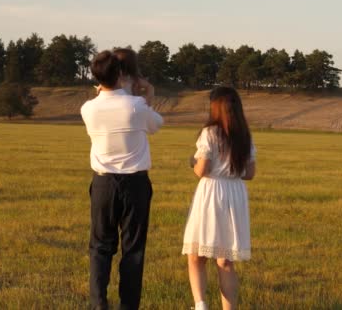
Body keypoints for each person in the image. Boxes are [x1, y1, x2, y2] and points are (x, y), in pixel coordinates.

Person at [81, 50, 164, 309]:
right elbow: (156, 124)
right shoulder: (136, 106)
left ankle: (98, 304)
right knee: (133, 250)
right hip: (135, 184)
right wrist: (147, 94)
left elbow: (106, 103)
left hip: (103, 184)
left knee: (100, 247)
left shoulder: (88, 109)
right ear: (120, 74)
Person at [183, 86, 256, 310]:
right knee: (225, 260)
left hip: (212, 192)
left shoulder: (210, 133)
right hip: (235, 194)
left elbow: (202, 169)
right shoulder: (244, 134)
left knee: (196, 254)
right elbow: (250, 173)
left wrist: (192, 163)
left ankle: (201, 305)